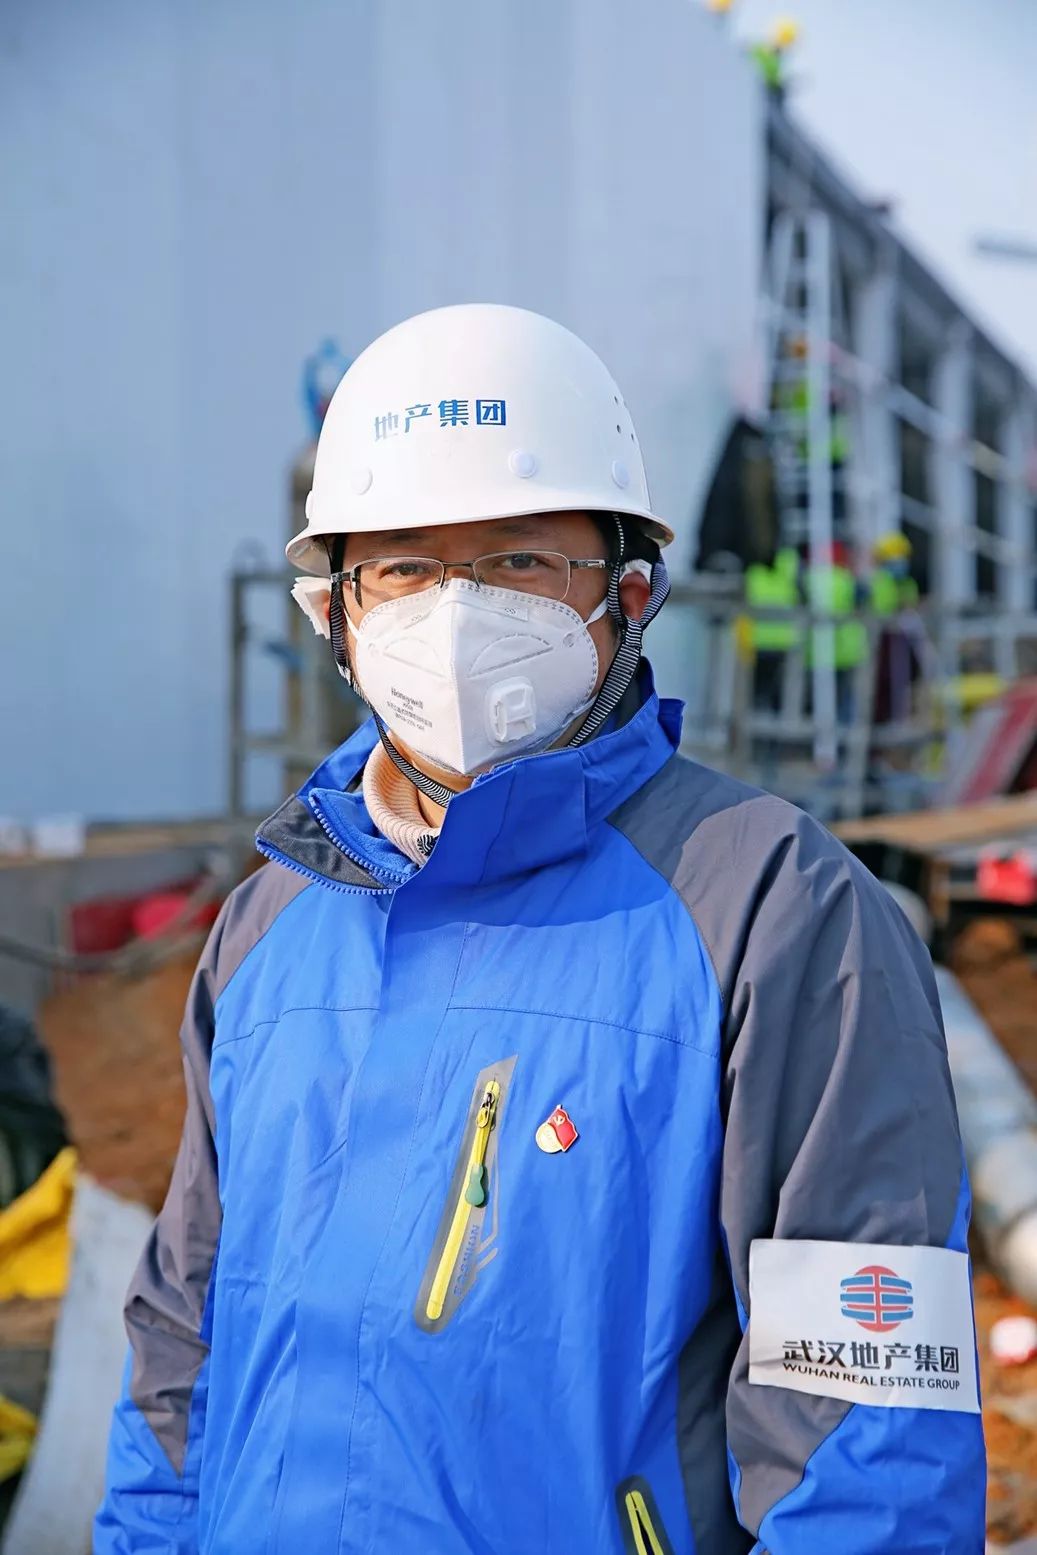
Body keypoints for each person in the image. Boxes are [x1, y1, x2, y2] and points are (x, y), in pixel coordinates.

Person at [95, 304, 984, 1554]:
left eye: (516, 562)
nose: (452, 614)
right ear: (336, 613)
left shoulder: (772, 910)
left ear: (625, 597)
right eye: (401, 566)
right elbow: (179, 1340)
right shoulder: (269, 927)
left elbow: (867, 1437)